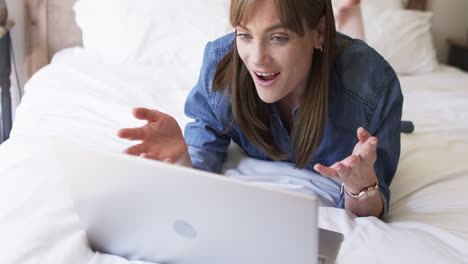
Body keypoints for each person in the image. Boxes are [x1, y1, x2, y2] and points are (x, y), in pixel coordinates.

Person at [118, 0, 403, 218]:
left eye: (278, 37)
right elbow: (204, 148)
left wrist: (360, 187)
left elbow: (371, 208)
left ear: (318, 33)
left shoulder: (372, 87)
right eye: (244, 35)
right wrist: (181, 159)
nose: (256, 59)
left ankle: (349, 12)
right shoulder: (221, 66)